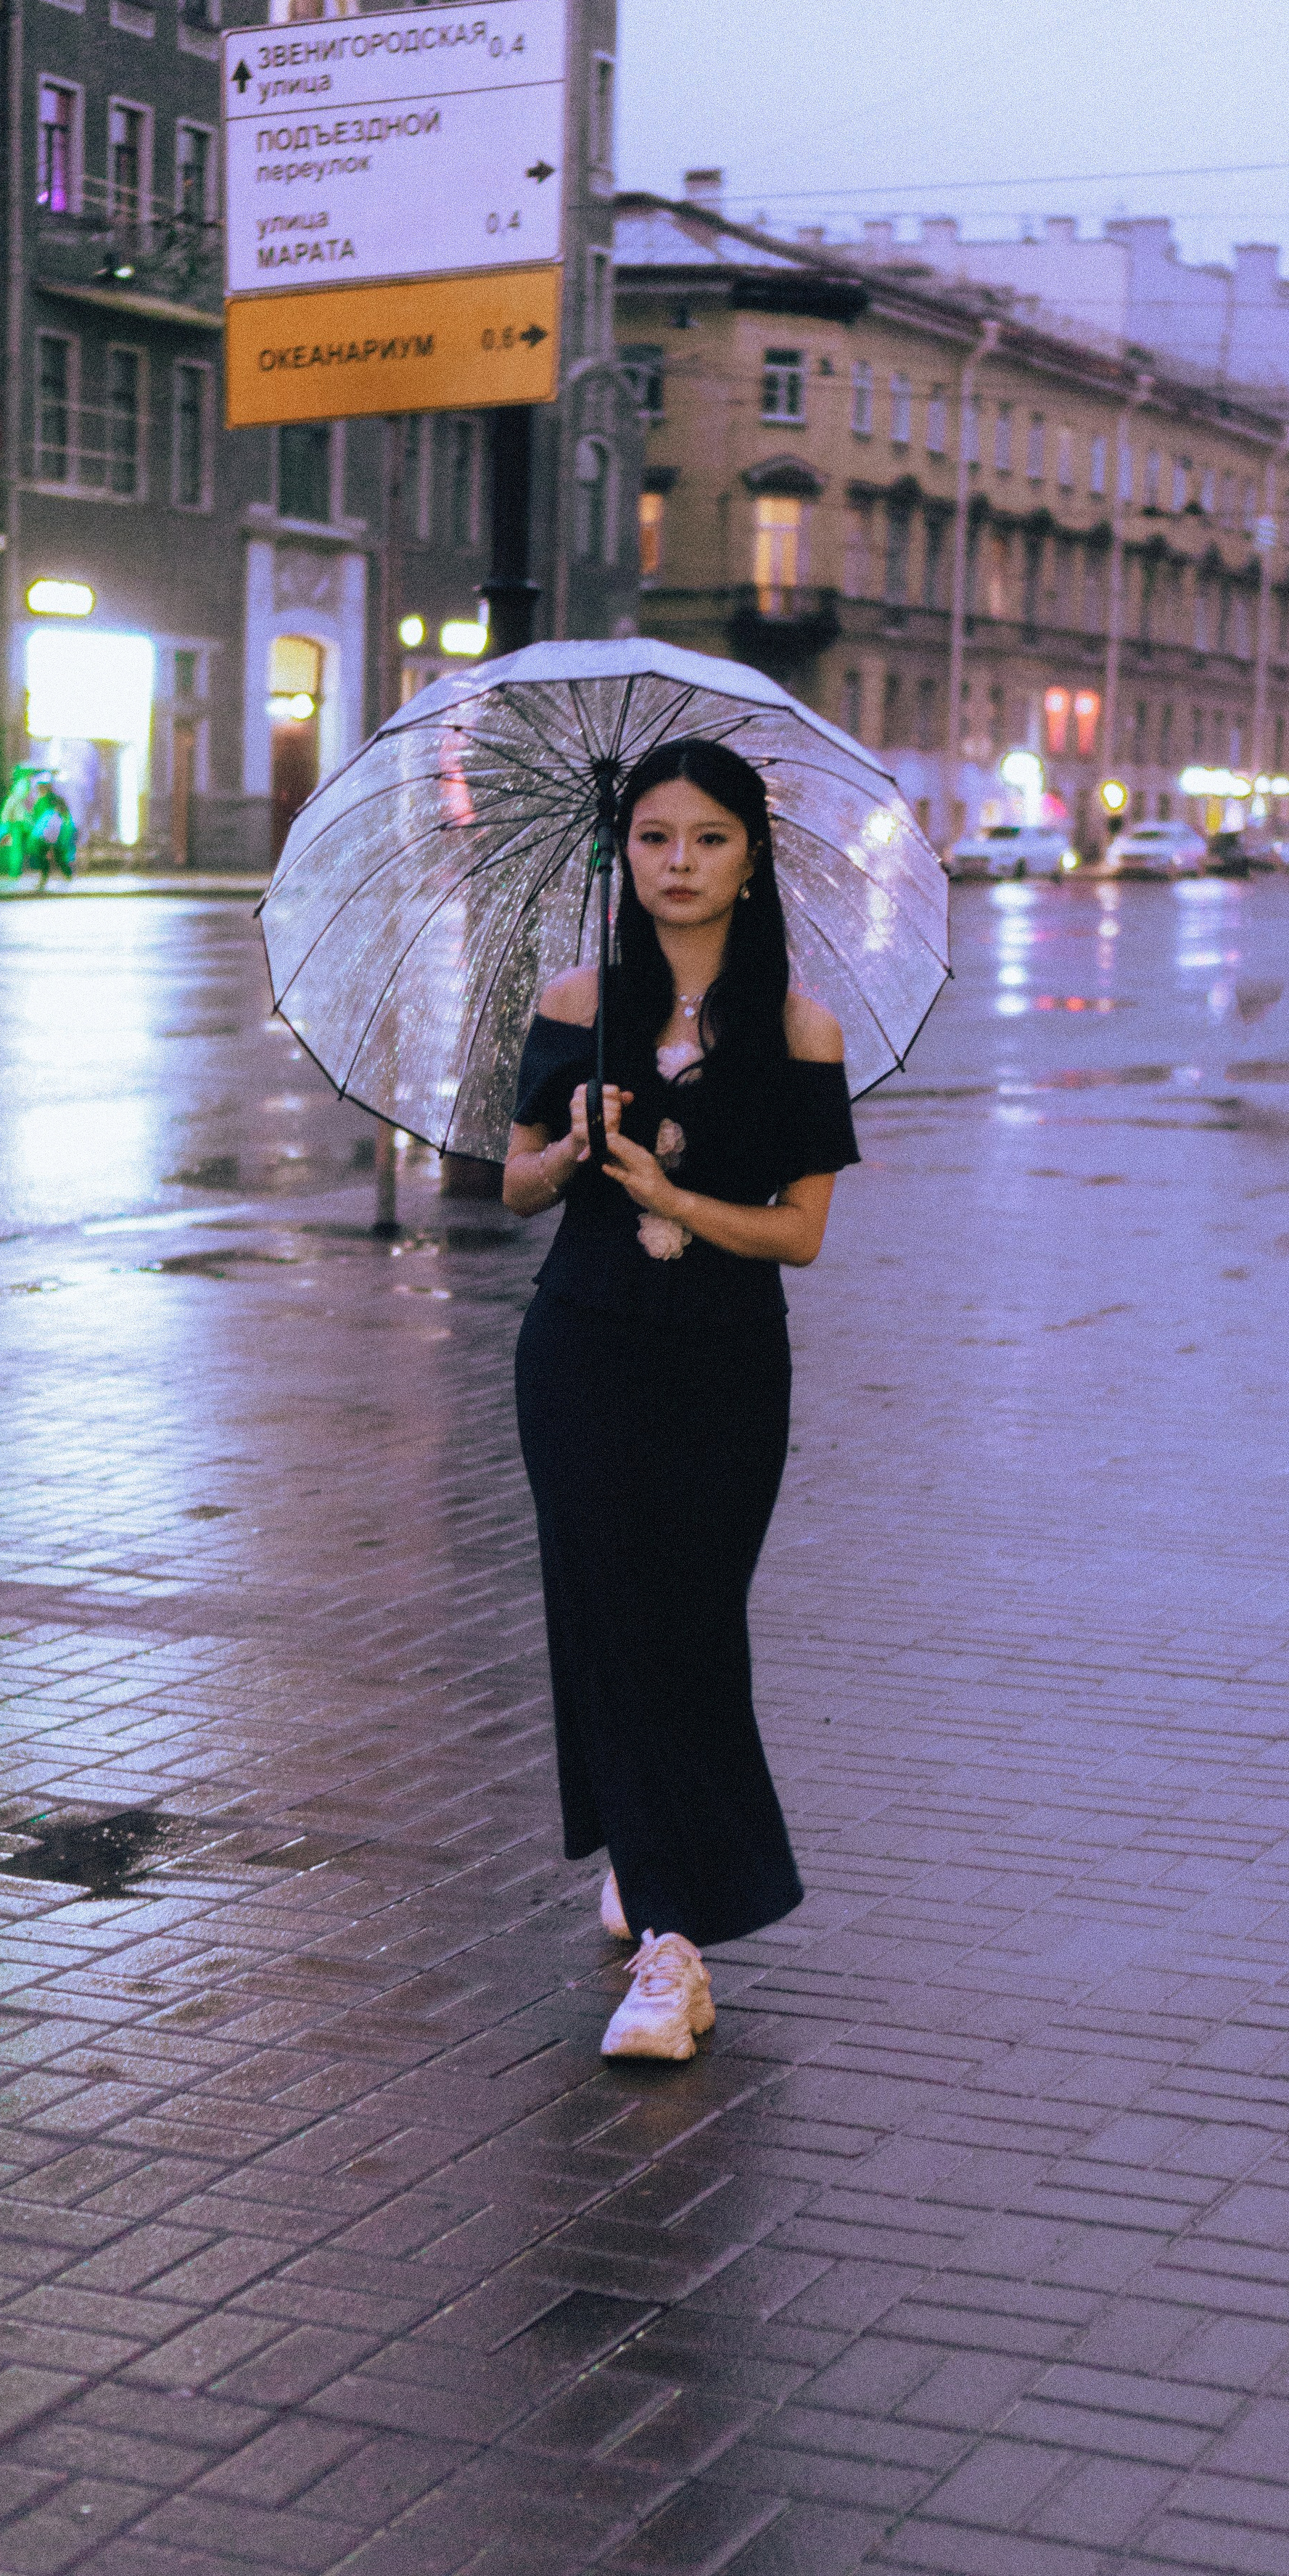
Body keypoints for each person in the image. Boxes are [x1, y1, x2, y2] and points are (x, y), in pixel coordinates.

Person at [503, 738, 858, 2062]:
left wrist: (671, 1196)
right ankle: (673, 1952)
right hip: (582, 1348)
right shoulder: (574, 1003)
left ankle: (646, 1846)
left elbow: (799, 1234)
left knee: (691, 1628)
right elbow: (514, 1188)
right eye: (654, 838)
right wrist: (571, 1150)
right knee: (607, 1616)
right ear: (625, 855)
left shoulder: (797, 1030)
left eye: (709, 839)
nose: (679, 864)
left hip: (723, 1361)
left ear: (751, 859)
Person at [28, 778, 75, 890]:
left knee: (53, 857)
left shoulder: (47, 801)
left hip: (49, 835)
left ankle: (54, 879)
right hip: (51, 835)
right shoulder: (47, 800)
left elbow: (38, 818)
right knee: (55, 857)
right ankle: (65, 877)